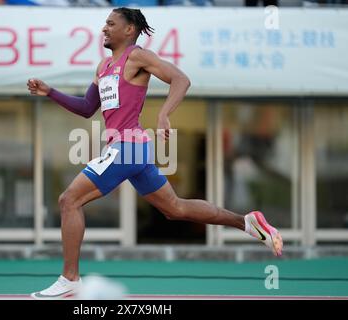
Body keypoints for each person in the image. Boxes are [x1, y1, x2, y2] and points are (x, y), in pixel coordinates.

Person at [27, 7, 283, 299]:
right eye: (104, 24)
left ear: (129, 30)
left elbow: (181, 80)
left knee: (69, 200)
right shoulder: (102, 66)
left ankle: (70, 279)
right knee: (176, 209)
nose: (104, 29)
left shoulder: (137, 56)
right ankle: (246, 222)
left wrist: (164, 114)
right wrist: (50, 92)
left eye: (111, 24)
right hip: (131, 150)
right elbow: (87, 108)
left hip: (127, 146)